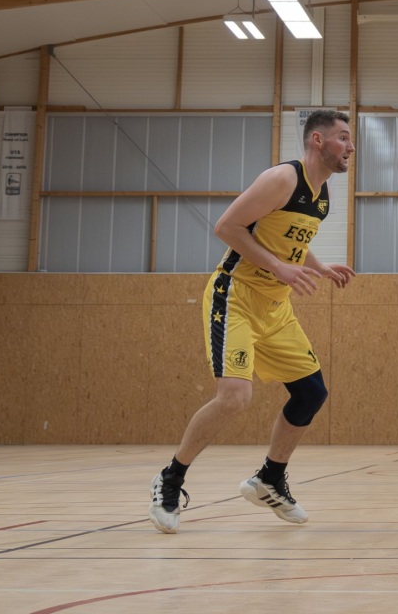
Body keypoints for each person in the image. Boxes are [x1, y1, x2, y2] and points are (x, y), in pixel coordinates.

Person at [148, 110, 355, 534]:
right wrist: (278, 267)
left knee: (311, 393)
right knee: (234, 398)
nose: (350, 147)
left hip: (275, 307)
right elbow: (228, 227)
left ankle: (269, 479)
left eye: (351, 140)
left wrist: (316, 265)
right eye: (342, 137)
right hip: (236, 296)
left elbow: (286, 240)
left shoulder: (323, 194)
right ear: (317, 140)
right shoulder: (282, 178)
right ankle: (170, 479)